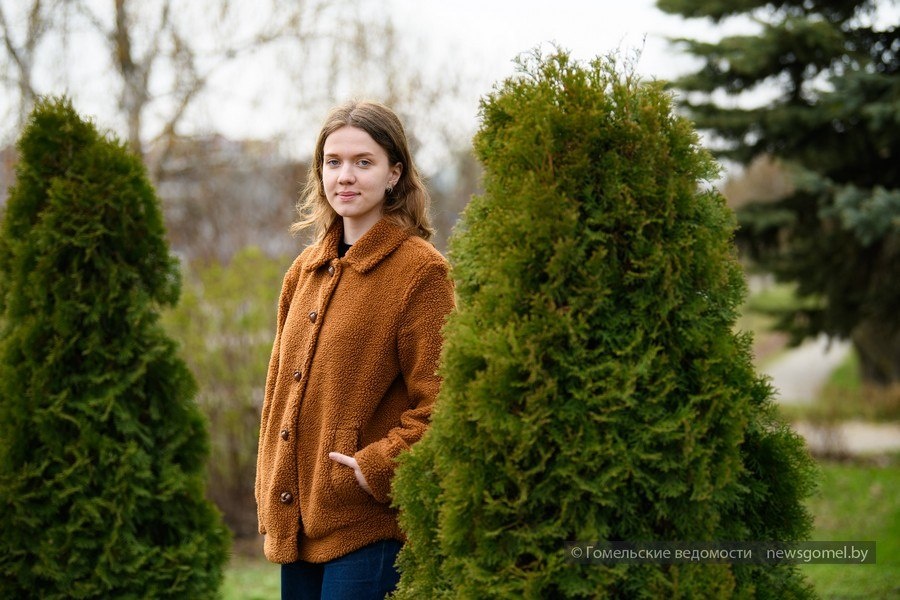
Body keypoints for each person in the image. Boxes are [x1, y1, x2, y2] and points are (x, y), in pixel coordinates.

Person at [255, 100, 455, 600]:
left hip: (369, 526)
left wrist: (377, 468)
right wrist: (269, 487)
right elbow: (278, 394)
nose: (345, 175)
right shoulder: (304, 271)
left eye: (363, 162)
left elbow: (446, 403)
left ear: (394, 174)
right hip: (298, 525)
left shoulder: (421, 272)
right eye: (333, 161)